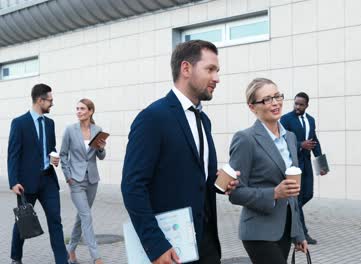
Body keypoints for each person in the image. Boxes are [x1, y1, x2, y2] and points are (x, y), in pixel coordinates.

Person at [121, 40, 238, 264]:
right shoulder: (153, 118)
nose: (217, 78)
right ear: (186, 69)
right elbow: (133, 186)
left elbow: (193, 176)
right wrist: (155, 246)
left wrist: (220, 182)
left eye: (217, 71)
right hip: (169, 247)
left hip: (206, 243)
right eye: (210, 69)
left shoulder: (204, 120)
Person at [228, 78, 308, 264]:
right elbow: (235, 193)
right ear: (251, 107)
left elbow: (292, 193)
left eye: (277, 96)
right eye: (266, 99)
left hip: (285, 230)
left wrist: (298, 233)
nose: (275, 103)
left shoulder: (290, 137)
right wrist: (273, 193)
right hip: (258, 232)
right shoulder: (245, 139)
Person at [8, 83, 68, 264]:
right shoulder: (19, 123)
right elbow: (13, 155)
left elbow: (50, 148)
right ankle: (16, 258)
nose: (52, 104)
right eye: (50, 100)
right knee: (23, 222)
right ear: (40, 100)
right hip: (26, 183)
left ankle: (61, 261)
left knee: (55, 221)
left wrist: (53, 158)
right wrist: (13, 181)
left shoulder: (50, 123)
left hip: (48, 180)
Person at [60, 98, 107, 264]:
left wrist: (101, 147)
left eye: (82, 109)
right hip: (76, 181)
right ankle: (96, 257)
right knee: (87, 216)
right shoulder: (70, 130)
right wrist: (68, 176)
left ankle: (70, 251)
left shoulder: (97, 130)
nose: (78, 111)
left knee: (81, 217)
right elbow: (63, 154)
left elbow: (101, 156)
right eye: (77, 108)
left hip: (92, 180)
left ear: (90, 111)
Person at [280, 92, 327, 245]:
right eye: (296, 104)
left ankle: (289, 213)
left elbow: (314, 141)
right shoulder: (286, 119)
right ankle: (302, 234)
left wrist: (322, 165)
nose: (298, 107)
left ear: (307, 105)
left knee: (308, 194)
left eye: (301, 104)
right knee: (297, 199)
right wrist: (301, 144)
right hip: (293, 164)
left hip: (305, 163)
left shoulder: (311, 120)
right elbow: (282, 139)